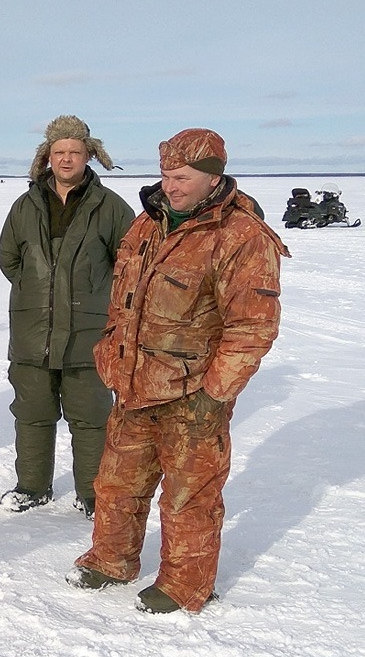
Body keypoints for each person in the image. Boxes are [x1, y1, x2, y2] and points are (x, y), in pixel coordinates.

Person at [67, 129, 289, 613]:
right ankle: (111, 560)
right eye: (166, 174)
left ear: (212, 177)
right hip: (132, 383)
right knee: (117, 484)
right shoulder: (147, 224)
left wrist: (216, 394)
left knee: (190, 497)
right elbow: (122, 299)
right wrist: (111, 349)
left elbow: (252, 327)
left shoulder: (241, 237)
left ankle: (184, 584)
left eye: (182, 177)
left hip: (193, 394)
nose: (170, 185)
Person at [0, 116, 134, 518]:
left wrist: (94, 296)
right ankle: (32, 487)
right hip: (32, 331)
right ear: (48, 156)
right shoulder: (25, 205)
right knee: (32, 414)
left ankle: (92, 494)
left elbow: (128, 263)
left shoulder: (110, 207)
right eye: (59, 152)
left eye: (75, 151)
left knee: (91, 418)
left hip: (88, 333)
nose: (67, 159)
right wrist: (35, 291)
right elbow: (9, 259)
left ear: (89, 155)